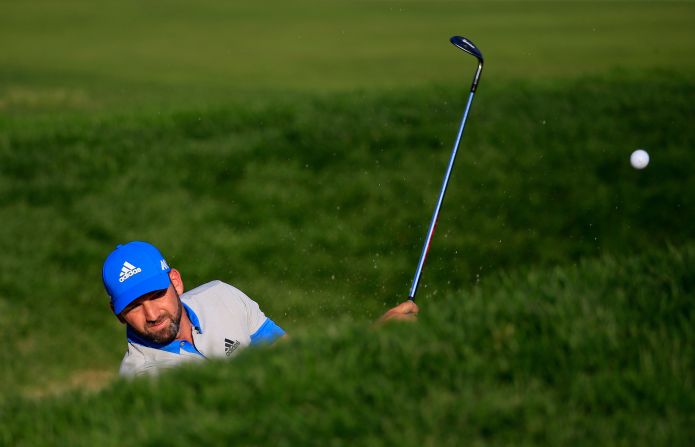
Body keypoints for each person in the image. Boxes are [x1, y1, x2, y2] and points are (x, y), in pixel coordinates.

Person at [103, 241, 418, 377]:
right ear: (118, 314)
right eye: (134, 306)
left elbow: (295, 361)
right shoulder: (142, 378)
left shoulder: (221, 296)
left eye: (156, 295)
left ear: (176, 281)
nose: (152, 314)